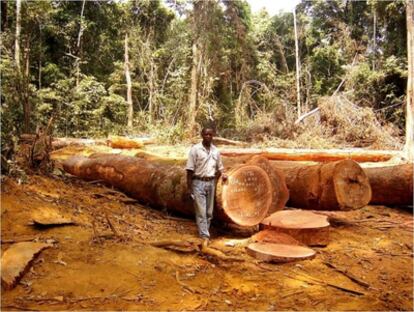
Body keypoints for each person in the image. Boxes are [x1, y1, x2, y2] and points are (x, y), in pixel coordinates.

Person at [186, 127, 227, 245]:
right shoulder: (195, 150)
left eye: (210, 134)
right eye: (206, 134)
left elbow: (220, 167)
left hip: (211, 183)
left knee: (209, 212)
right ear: (202, 135)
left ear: (213, 135)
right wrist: (190, 189)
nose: (208, 136)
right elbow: (189, 170)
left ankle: (205, 232)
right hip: (198, 182)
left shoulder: (216, 151)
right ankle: (204, 235)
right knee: (201, 211)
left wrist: (223, 175)